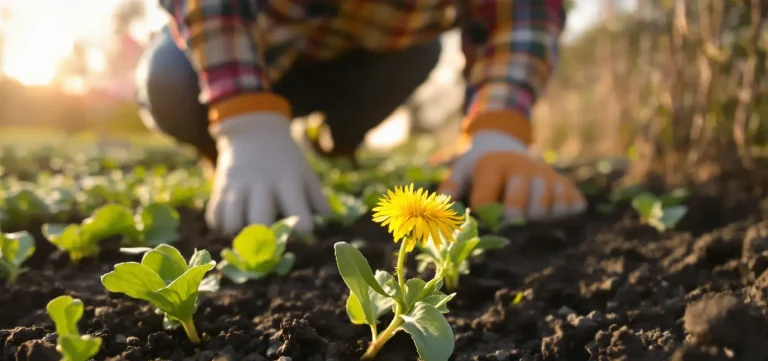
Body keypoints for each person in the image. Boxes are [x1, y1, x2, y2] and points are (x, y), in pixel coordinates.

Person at [136, 0, 586, 235]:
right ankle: (224, 153)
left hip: (363, 59)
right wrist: (243, 118)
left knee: (420, 53)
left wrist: (498, 130)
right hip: (245, 50)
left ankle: (336, 142)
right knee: (170, 82)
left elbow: (521, 16)